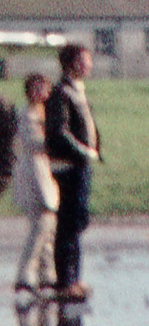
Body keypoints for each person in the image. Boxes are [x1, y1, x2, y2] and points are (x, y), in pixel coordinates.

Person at [45, 46, 98, 303]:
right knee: (68, 224)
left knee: (77, 222)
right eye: (85, 60)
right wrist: (84, 152)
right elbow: (59, 131)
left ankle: (74, 279)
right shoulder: (61, 92)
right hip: (69, 167)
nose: (89, 64)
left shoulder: (77, 89)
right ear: (72, 63)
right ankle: (65, 282)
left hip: (80, 165)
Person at [12, 74, 58, 301]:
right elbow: (35, 143)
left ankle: (47, 275)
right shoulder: (27, 114)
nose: (43, 93)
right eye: (38, 89)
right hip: (33, 172)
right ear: (29, 91)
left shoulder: (44, 114)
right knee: (42, 223)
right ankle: (25, 275)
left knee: (46, 227)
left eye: (46, 89)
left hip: (43, 170)